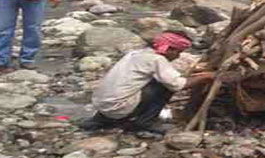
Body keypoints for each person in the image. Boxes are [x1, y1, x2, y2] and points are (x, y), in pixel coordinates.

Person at [78, 32, 211, 134]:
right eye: (178, 52)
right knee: (165, 87)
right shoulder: (156, 59)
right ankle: (146, 122)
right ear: (169, 48)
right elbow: (177, 84)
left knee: (150, 83)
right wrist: (206, 76)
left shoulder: (136, 53)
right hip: (117, 106)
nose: (178, 56)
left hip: (103, 105)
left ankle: (103, 119)